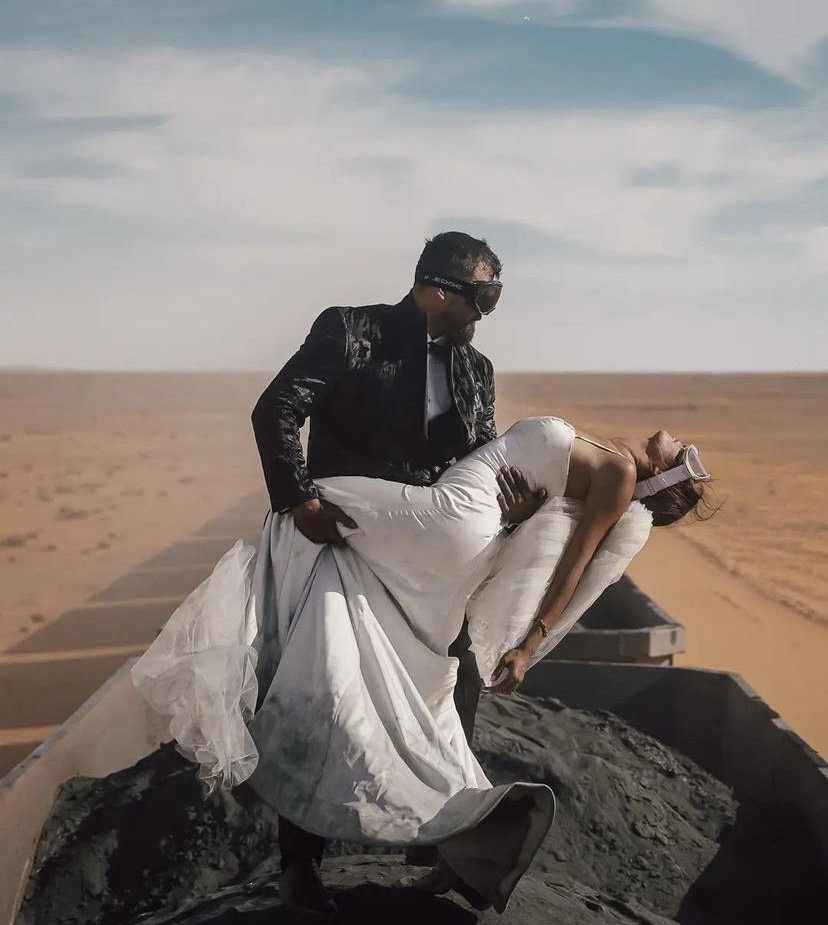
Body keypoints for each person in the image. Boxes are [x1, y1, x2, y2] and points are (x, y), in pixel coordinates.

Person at [132, 414, 713, 916]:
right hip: (460, 517)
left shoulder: (620, 477)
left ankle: (246, 654)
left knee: (308, 503)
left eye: (681, 453)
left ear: (663, 475)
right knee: (415, 681)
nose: (678, 440)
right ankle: (470, 836)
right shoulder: (613, 458)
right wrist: (520, 516)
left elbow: (574, 567)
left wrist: (530, 644)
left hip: (449, 518)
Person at [249, 230, 520, 915]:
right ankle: (299, 869)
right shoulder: (350, 332)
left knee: (450, 685)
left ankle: (441, 847)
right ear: (442, 289)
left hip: (429, 570)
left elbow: (481, 456)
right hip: (346, 554)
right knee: (326, 694)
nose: (486, 313)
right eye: (483, 297)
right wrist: (299, 499)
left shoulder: (477, 370)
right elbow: (277, 409)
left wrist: (507, 504)